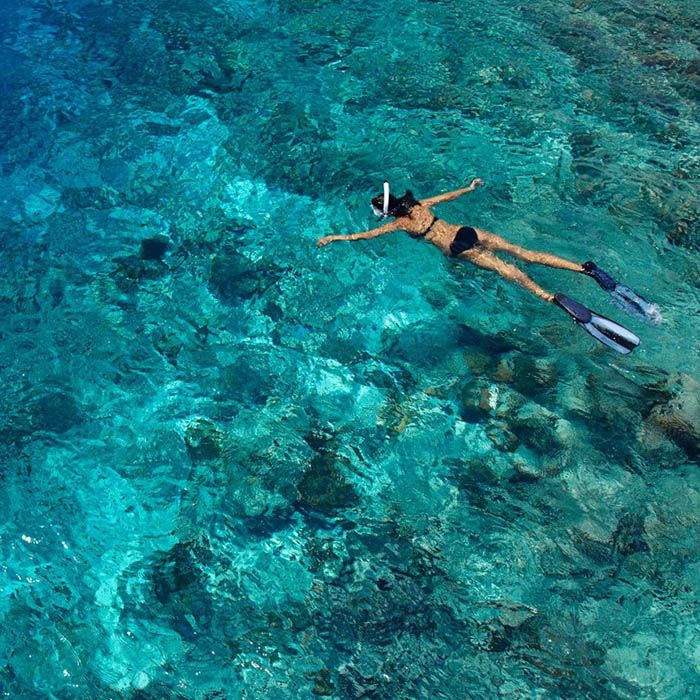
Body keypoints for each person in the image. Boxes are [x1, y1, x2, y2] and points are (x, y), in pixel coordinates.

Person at [317, 180, 659, 354]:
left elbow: (364, 235)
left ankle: (550, 298)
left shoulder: (398, 225)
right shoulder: (420, 204)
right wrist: (470, 186)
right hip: (467, 231)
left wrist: (334, 237)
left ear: (391, 213)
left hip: (455, 248)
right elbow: (449, 197)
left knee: (510, 273)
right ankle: (584, 268)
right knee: (524, 252)